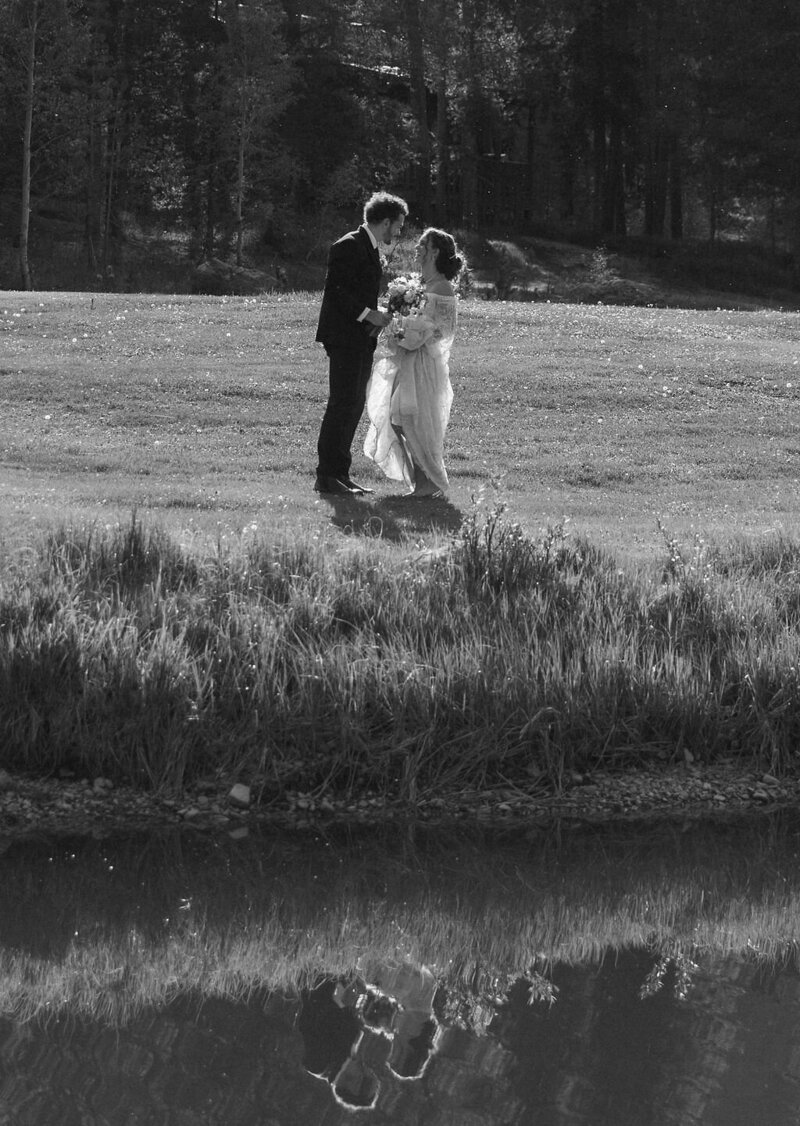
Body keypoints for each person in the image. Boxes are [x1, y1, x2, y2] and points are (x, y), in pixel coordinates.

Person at [315, 192, 408, 495]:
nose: (398, 232)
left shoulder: (367, 247)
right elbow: (338, 292)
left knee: (353, 404)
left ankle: (340, 473)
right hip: (343, 338)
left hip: (358, 339)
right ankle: (327, 474)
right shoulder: (348, 246)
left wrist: (379, 312)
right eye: (398, 226)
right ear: (384, 222)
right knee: (342, 403)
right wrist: (371, 314)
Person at [364, 228, 464, 497]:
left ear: (435, 252)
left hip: (424, 365)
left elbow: (442, 329)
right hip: (408, 360)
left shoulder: (441, 286)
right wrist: (399, 325)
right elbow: (416, 320)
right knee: (399, 420)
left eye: (423, 245)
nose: (417, 249)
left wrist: (411, 332)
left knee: (414, 422)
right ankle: (422, 482)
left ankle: (428, 481)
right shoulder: (422, 285)